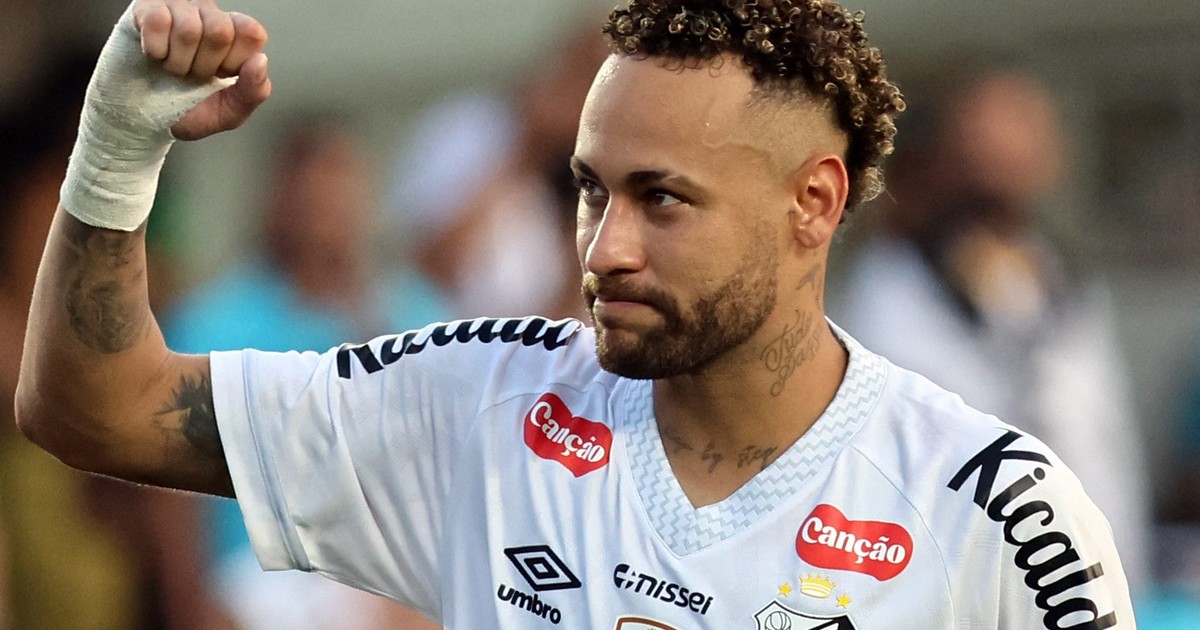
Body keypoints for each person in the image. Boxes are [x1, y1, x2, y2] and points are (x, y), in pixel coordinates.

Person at [16, 1, 1136, 628]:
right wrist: (117, 149)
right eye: (592, 191)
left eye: (663, 199)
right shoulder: (478, 403)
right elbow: (90, 406)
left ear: (814, 203)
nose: (603, 249)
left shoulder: (1001, 518)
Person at [832, 70, 1153, 594]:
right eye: (983, 145)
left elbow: (1106, 443)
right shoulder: (894, 285)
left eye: (1025, 135)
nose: (1005, 162)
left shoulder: (1064, 279)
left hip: (1093, 583)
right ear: (946, 158)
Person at [162, 116, 446, 629]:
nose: (329, 209)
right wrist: (190, 609)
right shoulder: (211, 324)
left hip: (392, 580)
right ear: (277, 199)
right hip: (253, 582)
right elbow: (170, 491)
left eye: (344, 187)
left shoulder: (418, 316)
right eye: (315, 191)